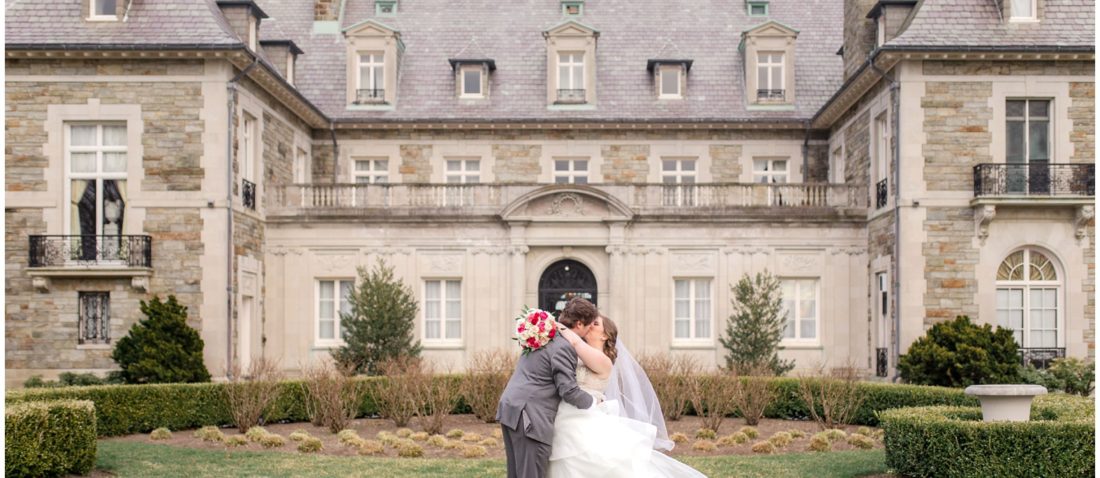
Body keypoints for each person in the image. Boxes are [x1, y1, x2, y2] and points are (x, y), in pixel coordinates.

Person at [549, 315, 707, 478]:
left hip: (585, 415)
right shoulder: (575, 354)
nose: (589, 325)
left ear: (605, 335)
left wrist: (551, 324)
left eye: (595, 324)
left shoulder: (603, 361)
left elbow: (576, 342)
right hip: (567, 414)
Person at [497, 298, 600, 478]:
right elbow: (568, 390)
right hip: (529, 416)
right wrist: (594, 402)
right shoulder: (563, 346)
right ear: (579, 324)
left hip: (512, 409)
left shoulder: (545, 338)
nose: (589, 330)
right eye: (589, 326)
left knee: (516, 473)